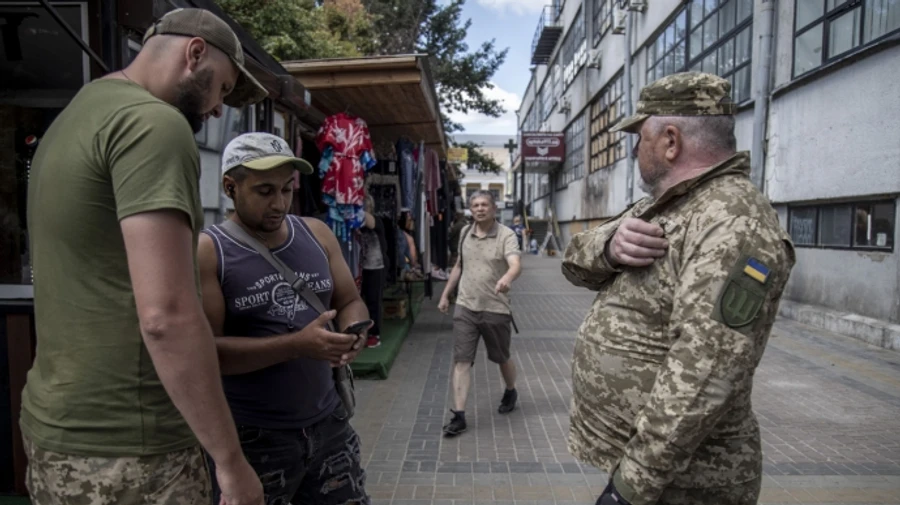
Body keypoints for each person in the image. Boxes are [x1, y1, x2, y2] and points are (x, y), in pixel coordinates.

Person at [22, 8, 268, 505]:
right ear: (194, 53)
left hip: (55, 430)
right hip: (132, 446)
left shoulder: (77, 114)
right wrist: (230, 461)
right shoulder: (154, 124)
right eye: (222, 88)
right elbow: (166, 317)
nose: (218, 109)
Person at [561, 72, 796, 505]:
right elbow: (574, 262)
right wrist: (609, 247)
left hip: (686, 483)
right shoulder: (668, 204)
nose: (635, 149)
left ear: (671, 141)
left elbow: (706, 369)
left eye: (640, 137)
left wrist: (630, 487)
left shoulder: (733, 220)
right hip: (650, 469)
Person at [198, 133, 372, 505]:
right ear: (230, 187)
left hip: (329, 424)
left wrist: (353, 331)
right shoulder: (210, 251)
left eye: (286, 190)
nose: (278, 203)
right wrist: (297, 346)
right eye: (264, 191)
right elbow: (208, 353)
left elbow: (349, 300)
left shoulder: (316, 233)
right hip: (254, 436)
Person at [437, 190, 523, 436]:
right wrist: (445, 294)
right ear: (470, 209)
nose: (480, 209)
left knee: (501, 357)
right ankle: (459, 415)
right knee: (461, 360)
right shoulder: (465, 232)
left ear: (494, 208)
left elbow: (515, 264)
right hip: (465, 306)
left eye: (485, 204)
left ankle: (510, 390)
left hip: (495, 308)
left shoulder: (506, 235)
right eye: (475, 205)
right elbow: (459, 266)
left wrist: (507, 278)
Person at [360, 194, 388, 348]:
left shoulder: (376, 221)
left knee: (373, 301)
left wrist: (352, 207)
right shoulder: (357, 224)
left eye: (365, 205)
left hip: (375, 267)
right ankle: (361, 332)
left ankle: (374, 334)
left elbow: (369, 221)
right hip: (359, 267)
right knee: (359, 300)